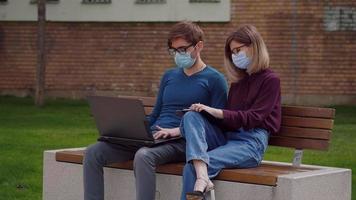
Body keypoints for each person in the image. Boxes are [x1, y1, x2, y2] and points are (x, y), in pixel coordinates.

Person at [83, 21, 228, 200]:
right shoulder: (169, 76)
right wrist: (133, 129)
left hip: (182, 142)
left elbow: (217, 124)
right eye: (174, 50)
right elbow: (157, 112)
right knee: (93, 152)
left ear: (199, 46)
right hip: (153, 137)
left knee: (143, 156)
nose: (178, 54)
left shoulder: (215, 80)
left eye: (182, 49)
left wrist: (177, 131)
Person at [179, 24, 282, 200]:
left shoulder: (270, 80)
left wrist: (217, 111)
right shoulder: (238, 83)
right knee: (191, 116)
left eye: (238, 50)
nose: (235, 56)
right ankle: (203, 177)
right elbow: (229, 122)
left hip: (251, 143)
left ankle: (202, 176)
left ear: (254, 46)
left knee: (192, 167)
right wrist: (205, 113)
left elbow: (253, 118)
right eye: (232, 53)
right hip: (229, 138)